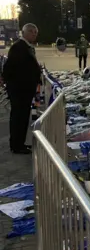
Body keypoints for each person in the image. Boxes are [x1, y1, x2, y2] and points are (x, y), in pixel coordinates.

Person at [1, 23, 41, 154]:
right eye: (31, 31)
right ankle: (17, 146)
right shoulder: (18, 47)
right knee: (18, 117)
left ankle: (20, 143)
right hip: (19, 90)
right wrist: (12, 85)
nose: (34, 34)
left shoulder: (27, 47)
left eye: (35, 32)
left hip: (24, 89)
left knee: (23, 117)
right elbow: (9, 69)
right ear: (23, 33)